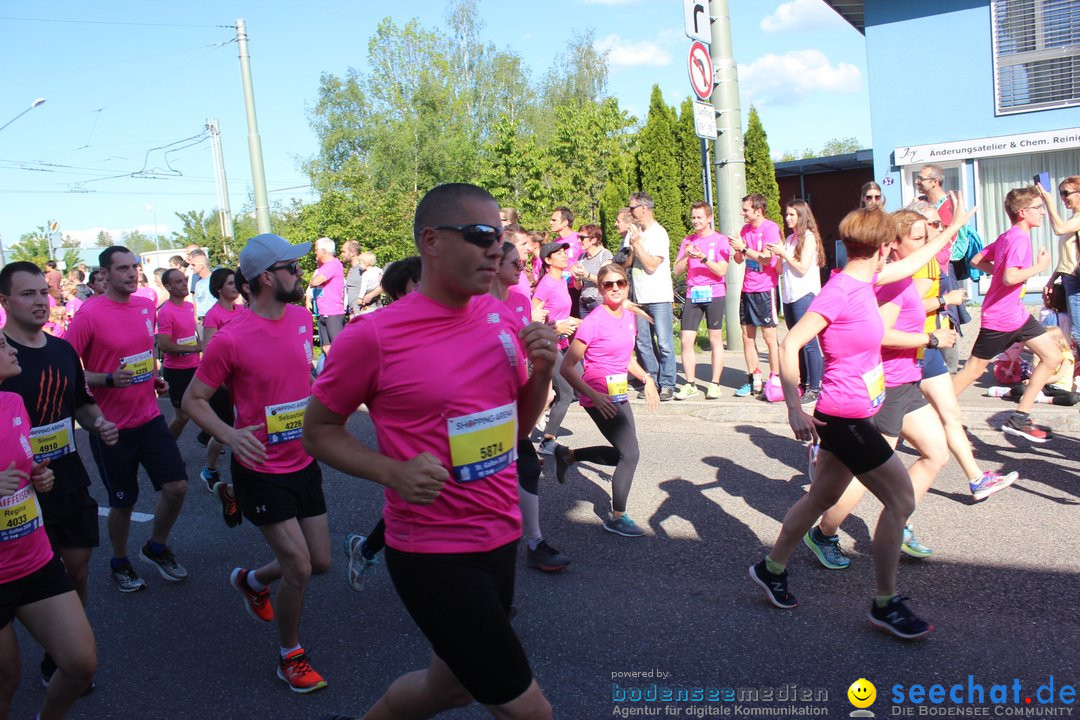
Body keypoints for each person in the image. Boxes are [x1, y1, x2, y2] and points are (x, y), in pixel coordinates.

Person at [305, 183, 556, 719]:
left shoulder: (505, 319)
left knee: (450, 689)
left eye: (502, 237)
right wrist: (392, 472)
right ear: (432, 242)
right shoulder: (373, 336)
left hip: (499, 530)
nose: (497, 249)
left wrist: (541, 376)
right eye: (482, 235)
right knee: (530, 711)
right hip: (433, 549)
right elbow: (320, 429)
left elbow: (516, 432)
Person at [749, 205, 965, 641]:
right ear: (883, 247)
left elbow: (915, 261)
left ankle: (770, 569)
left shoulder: (867, 277)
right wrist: (793, 407)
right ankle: (885, 603)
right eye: (892, 248)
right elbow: (791, 343)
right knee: (901, 500)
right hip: (843, 416)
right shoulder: (842, 291)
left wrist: (954, 228)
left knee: (820, 498)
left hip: (853, 411)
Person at [182, 233, 331, 694]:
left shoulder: (303, 318)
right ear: (267, 277)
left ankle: (251, 581)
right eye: (292, 267)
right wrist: (229, 435)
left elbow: (299, 377)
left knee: (320, 562)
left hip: (302, 459)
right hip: (261, 469)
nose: (300, 274)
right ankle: (290, 655)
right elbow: (193, 399)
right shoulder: (231, 339)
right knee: (300, 569)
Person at [802, 209, 959, 571]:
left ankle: (897, 518)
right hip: (883, 386)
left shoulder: (906, 278)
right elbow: (881, 335)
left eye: (926, 236)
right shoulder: (886, 282)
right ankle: (826, 532)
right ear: (893, 244)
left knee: (936, 453)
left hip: (906, 382)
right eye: (917, 237)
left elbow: (925, 261)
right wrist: (931, 338)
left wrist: (952, 228)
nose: (924, 244)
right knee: (861, 477)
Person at [0, 262, 117, 695]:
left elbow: (82, 404)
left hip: (64, 476)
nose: (39, 301)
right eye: (27, 294)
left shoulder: (63, 350)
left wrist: (100, 422)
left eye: (42, 293)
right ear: (5, 302)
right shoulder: (3, 359)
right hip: (16, 491)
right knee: (24, 571)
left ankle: (59, 650)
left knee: (76, 566)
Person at [66, 246, 189, 592]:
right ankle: (119, 560)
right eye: (122, 268)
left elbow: (143, 351)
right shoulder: (89, 314)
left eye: (134, 266)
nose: (131, 273)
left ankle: (156, 546)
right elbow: (67, 368)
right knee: (124, 501)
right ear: (104, 275)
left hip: (148, 417)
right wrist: (107, 380)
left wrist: (152, 377)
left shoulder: (146, 305)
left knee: (177, 487)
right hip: (110, 427)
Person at [0, 332, 97, 720]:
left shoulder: (13, 403)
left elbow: (24, 468)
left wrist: (39, 477)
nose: (10, 349)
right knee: (6, 680)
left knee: (79, 664)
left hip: (34, 558)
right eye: (2, 348)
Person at [906, 202, 1019, 500]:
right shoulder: (916, 261)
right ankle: (831, 452)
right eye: (933, 224)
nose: (938, 230)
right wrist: (945, 301)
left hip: (929, 348)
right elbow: (908, 309)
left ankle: (977, 478)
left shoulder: (933, 258)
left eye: (939, 225)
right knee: (883, 434)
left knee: (950, 414)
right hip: (909, 349)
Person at [554, 263, 659, 538]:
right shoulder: (593, 322)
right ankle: (617, 516)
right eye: (608, 285)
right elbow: (567, 366)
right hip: (598, 393)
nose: (614, 288)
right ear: (600, 289)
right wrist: (594, 396)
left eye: (620, 283)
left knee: (624, 452)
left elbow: (626, 358)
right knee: (630, 454)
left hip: (618, 391)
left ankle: (568, 455)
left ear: (627, 285)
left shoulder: (628, 316)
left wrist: (647, 379)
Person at [952, 186, 1061, 442]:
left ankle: (1020, 417)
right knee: (973, 371)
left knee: (1052, 356)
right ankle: (929, 414)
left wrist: (1000, 273)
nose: (1042, 213)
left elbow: (977, 260)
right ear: (1023, 212)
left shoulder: (1007, 236)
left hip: (1018, 314)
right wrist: (1039, 267)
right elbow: (1011, 276)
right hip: (1001, 318)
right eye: (1038, 208)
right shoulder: (1019, 239)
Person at [492, 241, 569, 571]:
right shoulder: (476, 304)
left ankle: (533, 542)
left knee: (524, 465)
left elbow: (526, 345)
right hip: (487, 402)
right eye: (513, 261)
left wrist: (541, 378)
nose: (520, 266)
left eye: (522, 262)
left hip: (519, 390)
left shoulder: (521, 299)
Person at [199, 267, 245, 524]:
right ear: (219, 289)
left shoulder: (241, 311)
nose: (234, 286)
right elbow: (209, 350)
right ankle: (210, 470)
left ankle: (219, 476)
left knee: (234, 427)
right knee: (226, 429)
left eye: (235, 282)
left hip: (241, 379)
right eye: (230, 283)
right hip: (222, 382)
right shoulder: (213, 316)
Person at [672, 202, 731, 400]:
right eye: (693, 217)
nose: (696, 221)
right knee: (687, 340)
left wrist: (704, 258)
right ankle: (690, 384)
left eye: (699, 217)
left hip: (714, 293)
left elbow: (722, 270)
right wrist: (686, 257)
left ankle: (715, 384)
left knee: (715, 339)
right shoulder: (687, 241)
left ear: (709, 218)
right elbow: (677, 270)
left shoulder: (720, 240)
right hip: (693, 294)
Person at [769, 199, 824, 403]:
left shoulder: (808, 238)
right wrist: (779, 255)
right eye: (786, 214)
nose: (787, 218)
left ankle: (815, 386)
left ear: (801, 216)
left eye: (792, 214)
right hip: (790, 296)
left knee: (809, 341)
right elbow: (780, 269)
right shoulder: (791, 239)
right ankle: (803, 383)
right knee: (796, 342)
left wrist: (784, 254)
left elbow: (802, 267)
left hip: (805, 294)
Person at [625, 191, 676, 400]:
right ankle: (651, 381)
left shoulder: (658, 233)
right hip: (639, 297)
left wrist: (637, 244)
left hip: (659, 296)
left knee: (664, 342)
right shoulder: (633, 233)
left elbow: (652, 265)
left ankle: (668, 383)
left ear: (644, 208)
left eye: (632, 208)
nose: (630, 212)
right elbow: (626, 263)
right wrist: (632, 246)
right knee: (643, 342)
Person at [533, 241, 581, 455]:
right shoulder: (546, 284)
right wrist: (555, 327)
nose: (564, 255)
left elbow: (559, 312)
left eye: (564, 252)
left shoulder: (561, 281)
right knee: (567, 392)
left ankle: (540, 411)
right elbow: (533, 319)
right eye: (558, 254)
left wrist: (576, 322)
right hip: (547, 345)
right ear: (547, 260)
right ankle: (547, 442)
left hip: (561, 343)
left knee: (578, 388)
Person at [730, 193, 781, 397]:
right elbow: (738, 260)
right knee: (747, 336)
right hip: (747, 288)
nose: (742, 213)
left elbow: (768, 259)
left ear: (758, 211)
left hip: (765, 288)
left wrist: (744, 248)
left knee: (769, 337)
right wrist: (737, 249)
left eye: (746, 210)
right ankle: (754, 378)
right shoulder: (745, 229)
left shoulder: (770, 228)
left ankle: (775, 378)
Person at [156, 269, 203, 439]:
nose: (184, 284)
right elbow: (165, 345)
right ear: (168, 287)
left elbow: (189, 335)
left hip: (195, 367)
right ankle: (168, 449)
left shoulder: (189, 307)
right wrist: (195, 348)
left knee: (205, 405)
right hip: (177, 371)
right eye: (178, 282)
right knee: (182, 417)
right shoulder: (166, 312)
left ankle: (210, 437)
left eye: (184, 280)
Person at [1037, 175, 1080, 349]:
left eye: (1066, 193)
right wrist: (1052, 278)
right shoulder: (1073, 219)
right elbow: (1068, 257)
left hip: (1076, 279)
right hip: (1071, 276)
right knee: (1076, 328)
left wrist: (1048, 201)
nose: (1062, 197)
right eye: (1060, 194)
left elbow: (1058, 228)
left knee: (1078, 330)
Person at [986, 326, 1078, 406]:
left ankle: (1042, 399)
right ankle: (1007, 392)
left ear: (1055, 341)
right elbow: (1037, 372)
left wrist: (1036, 381)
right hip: (1044, 387)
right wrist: (1036, 359)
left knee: (1072, 398)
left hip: (1059, 388)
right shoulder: (1045, 354)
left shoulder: (1067, 356)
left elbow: (1057, 377)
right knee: (1022, 389)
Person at [308, 237, 346, 354]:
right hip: (322, 312)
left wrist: (315, 279)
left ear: (324, 250)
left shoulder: (333, 264)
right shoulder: (324, 267)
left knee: (338, 348)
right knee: (326, 347)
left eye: (316, 250)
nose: (315, 253)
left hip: (333, 312)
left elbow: (314, 282)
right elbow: (312, 283)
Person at [571, 223, 614, 317]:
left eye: (582, 238)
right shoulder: (582, 257)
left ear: (593, 240)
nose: (579, 240)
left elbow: (605, 281)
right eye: (578, 237)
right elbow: (578, 287)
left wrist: (586, 274)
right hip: (583, 302)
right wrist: (576, 277)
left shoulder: (605, 255)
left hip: (599, 302)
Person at [187, 249, 215, 319]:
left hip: (214, 318)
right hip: (202, 320)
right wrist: (196, 316)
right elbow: (197, 301)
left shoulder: (215, 279)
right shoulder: (198, 283)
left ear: (202, 266)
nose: (191, 268)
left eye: (194, 265)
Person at [341, 240, 364, 316]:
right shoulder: (351, 269)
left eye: (344, 252)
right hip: (354, 313)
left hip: (365, 314)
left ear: (353, 253)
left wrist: (369, 296)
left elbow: (380, 285)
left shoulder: (363, 268)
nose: (341, 254)